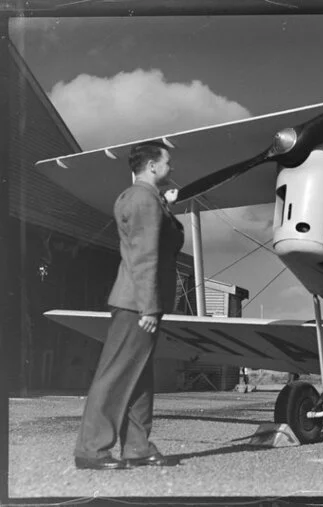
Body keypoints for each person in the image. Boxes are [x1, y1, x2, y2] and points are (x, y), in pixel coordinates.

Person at [73, 141, 184, 470]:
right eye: (167, 162)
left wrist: (166, 207)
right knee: (117, 375)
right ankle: (91, 450)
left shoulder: (142, 198)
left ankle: (136, 447)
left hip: (138, 300)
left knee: (138, 376)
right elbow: (144, 256)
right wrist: (148, 306)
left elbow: (154, 243)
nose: (171, 168)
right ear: (152, 166)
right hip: (138, 303)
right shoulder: (144, 200)